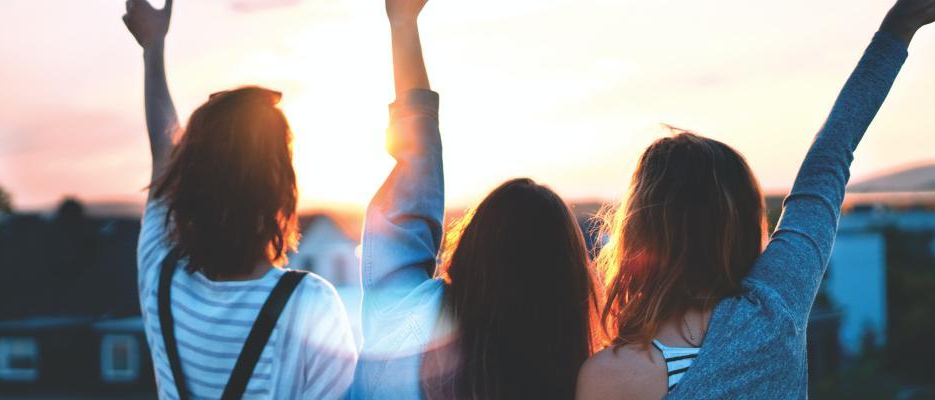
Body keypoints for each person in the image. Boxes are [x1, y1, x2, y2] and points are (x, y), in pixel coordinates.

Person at [575, 0, 935, 398]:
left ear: (638, 231)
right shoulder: (775, 306)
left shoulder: (611, 377)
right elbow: (830, 157)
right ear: (741, 223)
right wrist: (898, 30)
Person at [351, 0, 605, 398]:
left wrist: (403, 23)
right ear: (567, 288)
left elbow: (414, 185)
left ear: (471, 248)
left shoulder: (400, 321)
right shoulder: (578, 380)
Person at [123, 0, 356, 398]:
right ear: (281, 189)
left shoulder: (160, 276)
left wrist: (153, 48)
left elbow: (162, 153)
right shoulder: (311, 308)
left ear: (186, 184)